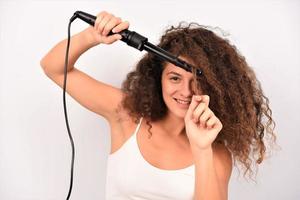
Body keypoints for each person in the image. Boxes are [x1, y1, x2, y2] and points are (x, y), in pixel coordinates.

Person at [40, 10, 276, 200]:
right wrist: (91, 36)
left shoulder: (216, 153)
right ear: (158, 78)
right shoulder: (127, 115)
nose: (185, 91)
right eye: (175, 78)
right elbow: (54, 67)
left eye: (197, 81)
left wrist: (201, 149)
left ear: (215, 87)